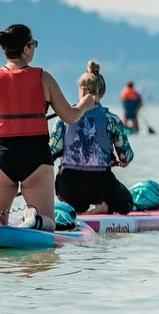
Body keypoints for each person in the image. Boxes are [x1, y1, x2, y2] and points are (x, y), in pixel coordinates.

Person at [0, 24, 94, 230]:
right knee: (48, 226)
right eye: (33, 44)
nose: (34, 48)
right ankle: (35, 220)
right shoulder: (43, 78)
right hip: (35, 157)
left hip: (0, 156)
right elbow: (70, 116)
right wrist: (86, 104)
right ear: (26, 49)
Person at [51, 61, 135, 214]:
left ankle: (77, 210)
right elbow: (126, 157)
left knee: (77, 204)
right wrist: (121, 161)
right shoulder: (112, 119)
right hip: (98, 187)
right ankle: (104, 207)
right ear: (101, 92)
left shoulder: (63, 118)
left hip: (68, 187)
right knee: (127, 202)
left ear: (82, 90)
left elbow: (51, 152)